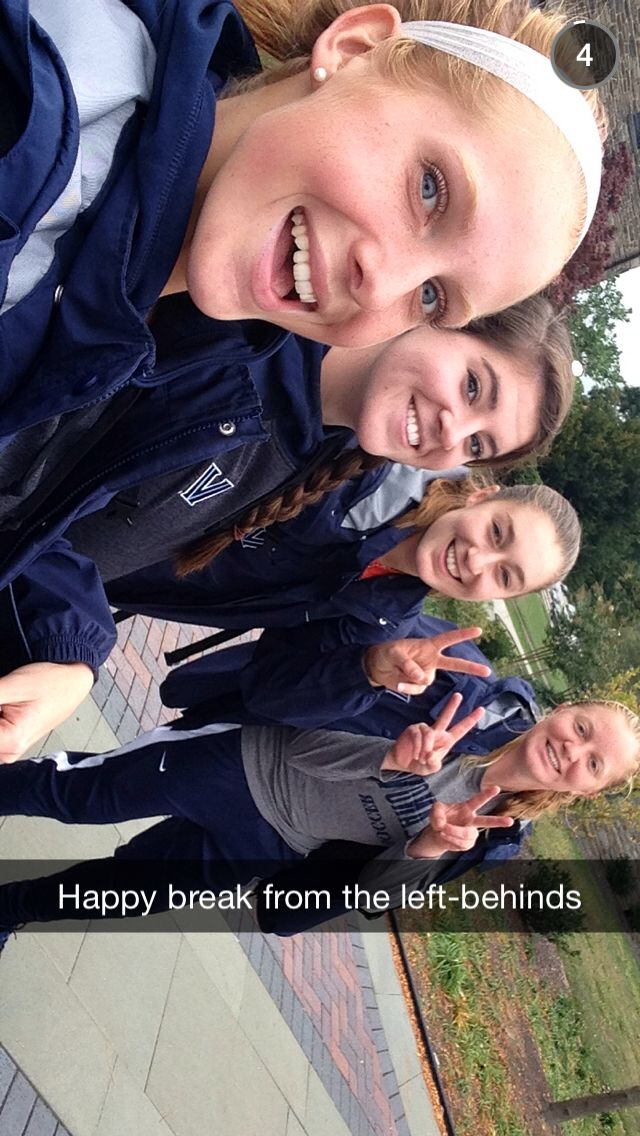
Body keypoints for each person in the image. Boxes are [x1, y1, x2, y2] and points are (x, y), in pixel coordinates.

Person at [0, 476, 581, 760]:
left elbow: (270, 691)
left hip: (83, 583)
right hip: (54, 531)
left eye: (506, 576)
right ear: (483, 494)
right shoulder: (361, 474)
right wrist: (78, 647)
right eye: (497, 532)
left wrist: (366, 672)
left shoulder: (387, 614)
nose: (478, 561)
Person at [0, 696, 636, 943]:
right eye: (581, 728)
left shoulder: (493, 837)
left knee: (123, 892)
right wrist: (389, 757)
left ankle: (10, 909)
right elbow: (302, 743)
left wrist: (425, 847)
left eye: (593, 763)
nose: (571, 749)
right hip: (238, 766)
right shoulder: (460, 705)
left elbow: (371, 895)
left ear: (588, 790)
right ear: (564, 710)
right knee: (74, 797)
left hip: (270, 844)